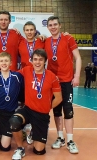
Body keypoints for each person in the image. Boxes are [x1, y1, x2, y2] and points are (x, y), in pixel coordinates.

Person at [9, 49, 62, 160]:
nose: (37, 62)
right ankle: (20, 148)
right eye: (35, 59)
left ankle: (33, 132)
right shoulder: (26, 70)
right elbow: (10, 74)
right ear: (32, 61)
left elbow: (59, 98)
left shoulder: (52, 77)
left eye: (41, 60)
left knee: (39, 151)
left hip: (42, 115)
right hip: (28, 110)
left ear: (45, 61)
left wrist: (47, 107)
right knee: (14, 121)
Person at [45, 16, 82, 154]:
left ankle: (70, 140)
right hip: (53, 82)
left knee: (68, 109)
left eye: (55, 24)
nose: (53, 27)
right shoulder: (46, 41)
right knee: (56, 110)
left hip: (66, 80)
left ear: (60, 25)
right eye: (50, 25)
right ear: (47, 27)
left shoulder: (68, 38)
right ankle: (60, 138)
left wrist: (77, 76)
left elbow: (78, 57)